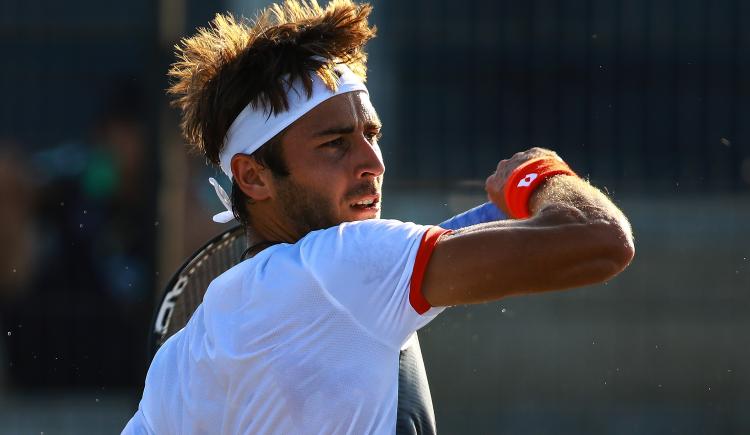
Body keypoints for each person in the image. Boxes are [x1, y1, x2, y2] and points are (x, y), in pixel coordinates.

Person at [123, 1, 634, 433]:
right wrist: (540, 175)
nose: (373, 164)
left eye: (372, 135)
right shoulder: (348, 261)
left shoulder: (180, 360)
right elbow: (600, 240)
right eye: (335, 145)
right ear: (253, 176)